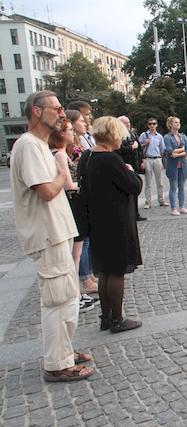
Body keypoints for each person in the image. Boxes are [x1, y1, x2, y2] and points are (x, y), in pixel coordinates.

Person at [10, 90, 94, 381]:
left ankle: (64, 351)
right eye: (56, 108)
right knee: (58, 299)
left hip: (57, 232)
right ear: (36, 111)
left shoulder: (39, 145)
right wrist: (61, 173)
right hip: (47, 235)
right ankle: (57, 364)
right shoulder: (29, 146)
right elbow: (46, 191)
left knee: (68, 296)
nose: (61, 113)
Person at [78, 116, 143, 333]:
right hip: (115, 221)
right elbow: (133, 186)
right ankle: (117, 319)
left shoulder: (87, 156)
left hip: (96, 221)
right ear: (113, 135)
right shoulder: (110, 159)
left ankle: (106, 318)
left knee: (105, 271)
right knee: (116, 271)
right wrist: (130, 171)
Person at [48, 118, 99, 312]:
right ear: (60, 133)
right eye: (69, 130)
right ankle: (75, 295)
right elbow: (69, 185)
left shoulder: (60, 153)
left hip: (71, 204)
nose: (72, 133)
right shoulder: (59, 154)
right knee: (75, 254)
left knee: (77, 251)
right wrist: (88, 185)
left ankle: (76, 293)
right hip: (72, 204)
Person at [117, 116, 146, 221]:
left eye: (128, 122)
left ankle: (136, 213)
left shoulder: (132, 133)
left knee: (136, 189)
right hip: (125, 164)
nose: (127, 124)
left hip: (135, 164)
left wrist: (142, 160)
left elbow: (139, 149)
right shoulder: (118, 135)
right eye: (125, 123)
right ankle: (130, 214)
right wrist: (131, 147)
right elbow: (119, 149)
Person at [164, 116, 187, 216]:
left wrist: (177, 153)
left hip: (182, 165)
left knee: (182, 187)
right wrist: (181, 150)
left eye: (178, 122)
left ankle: (182, 206)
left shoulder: (183, 136)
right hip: (172, 166)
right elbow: (170, 151)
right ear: (170, 124)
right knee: (173, 187)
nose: (178, 124)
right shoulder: (167, 137)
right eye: (175, 122)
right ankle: (173, 208)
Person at [139, 117, 168, 209]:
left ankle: (161, 200)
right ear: (148, 125)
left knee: (160, 182)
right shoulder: (144, 135)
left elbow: (163, 149)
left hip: (157, 158)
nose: (152, 125)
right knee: (148, 182)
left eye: (154, 123)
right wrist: (144, 144)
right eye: (150, 124)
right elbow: (138, 148)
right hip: (147, 159)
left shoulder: (159, 136)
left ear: (156, 125)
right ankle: (148, 202)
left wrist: (161, 158)